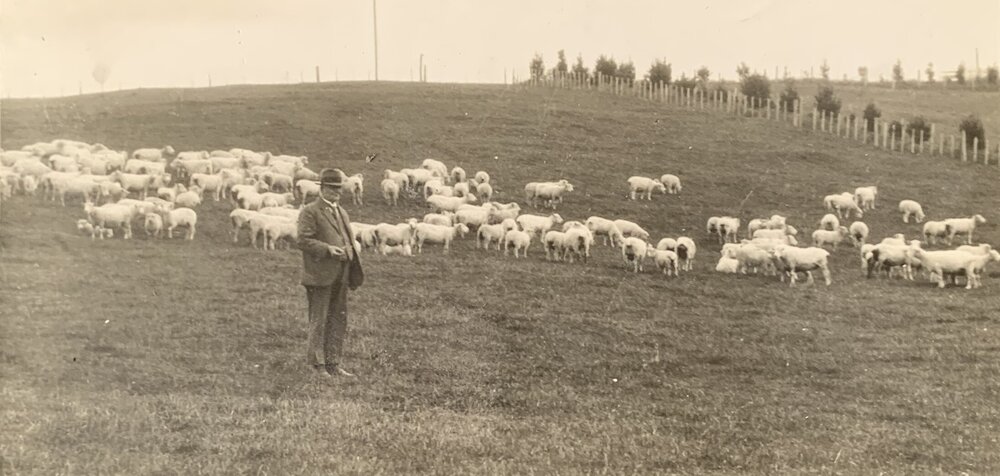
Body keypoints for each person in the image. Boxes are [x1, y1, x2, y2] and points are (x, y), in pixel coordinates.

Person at [297, 168, 364, 378]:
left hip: (341, 273)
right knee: (320, 318)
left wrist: (349, 252)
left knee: (338, 318)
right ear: (322, 189)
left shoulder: (341, 212)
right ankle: (317, 365)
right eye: (331, 189)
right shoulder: (310, 211)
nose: (336, 192)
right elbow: (303, 240)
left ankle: (333, 362)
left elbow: (347, 239)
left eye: (338, 189)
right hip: (320, 274)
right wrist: (327, 249)